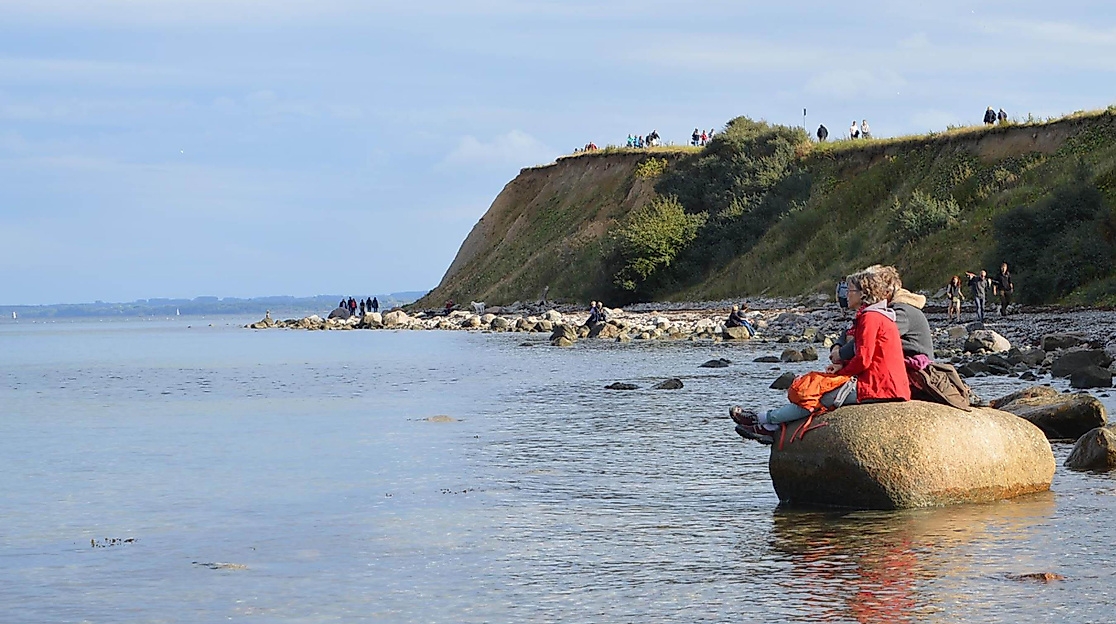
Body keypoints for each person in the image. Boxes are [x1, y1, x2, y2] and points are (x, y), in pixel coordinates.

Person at [733, 267, 910, 443]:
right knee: (817, 389)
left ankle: (764, 420)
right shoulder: (880, 316)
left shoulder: (870, 318)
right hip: (886, 383)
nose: (846, 295)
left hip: (879, 387)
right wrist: (842, 367)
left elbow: (864, 359)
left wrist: (842, 373)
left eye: (850, 291)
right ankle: (770, 425)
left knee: (817, 395)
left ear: (863, 294)